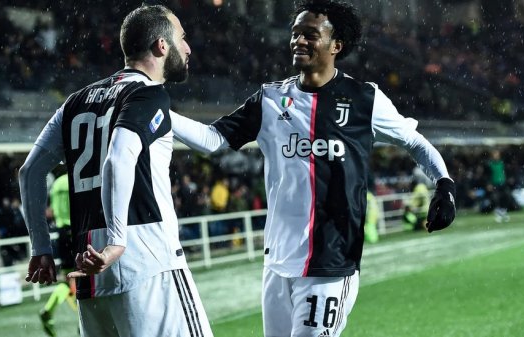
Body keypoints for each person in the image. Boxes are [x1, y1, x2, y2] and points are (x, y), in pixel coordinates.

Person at [169, 1, 456, 335]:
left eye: (310, 34)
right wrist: (159, 108)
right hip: (277, 262)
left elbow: (416, 142)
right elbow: (212, 139)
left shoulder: (365, 99)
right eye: (295, 33)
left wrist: (444, 185)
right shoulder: (270, 99)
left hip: (330, 263)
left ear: (337, 45)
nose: (298, 41)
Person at [19, 5, 213, 337]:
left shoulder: (75, 101)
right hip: (146, 259)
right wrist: (117, 239)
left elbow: (30, 172)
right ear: (161, 46)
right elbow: (118, 159)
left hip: (91, 270)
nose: (188, 47)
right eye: (182, 38)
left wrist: (41, 248)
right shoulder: (149, 94)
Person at [39, 173, 76, 337]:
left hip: (61, 233)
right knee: (86, 279)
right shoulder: (76, 179)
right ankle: (83, 320)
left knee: (68, 279)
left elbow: (51, 211)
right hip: (76, 230)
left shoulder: (57, 184)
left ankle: (48, 309)